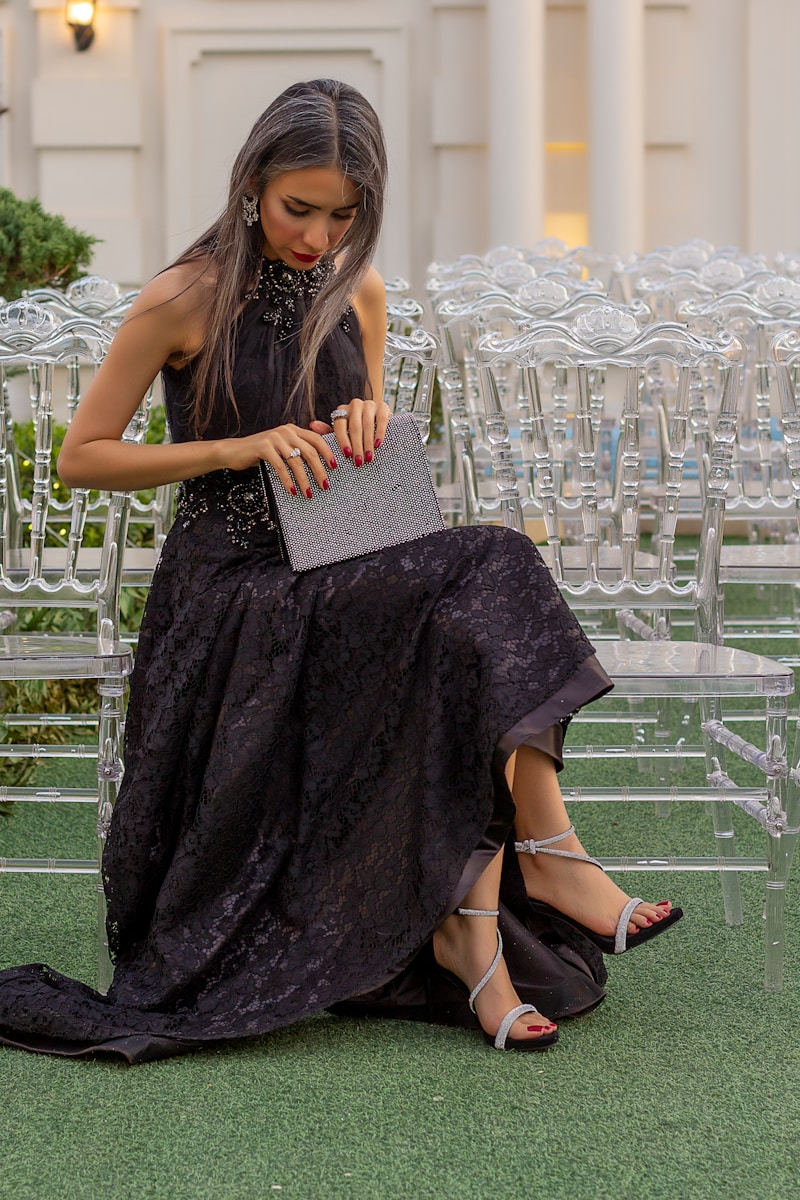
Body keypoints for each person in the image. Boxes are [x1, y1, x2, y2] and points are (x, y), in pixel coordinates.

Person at [0, 78, 680, 1063]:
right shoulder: (182, 297)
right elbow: (84, 456)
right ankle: (541, 869)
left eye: (343, 215)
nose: (318, 236)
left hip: (335, 563)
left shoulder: (356, 290)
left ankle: (476, 927)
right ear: (251, 187)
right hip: (229, 594)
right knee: (488, 566)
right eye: (298, 210)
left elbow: (347, 445)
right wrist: (233, 449)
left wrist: (363, 424)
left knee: (467, 614)